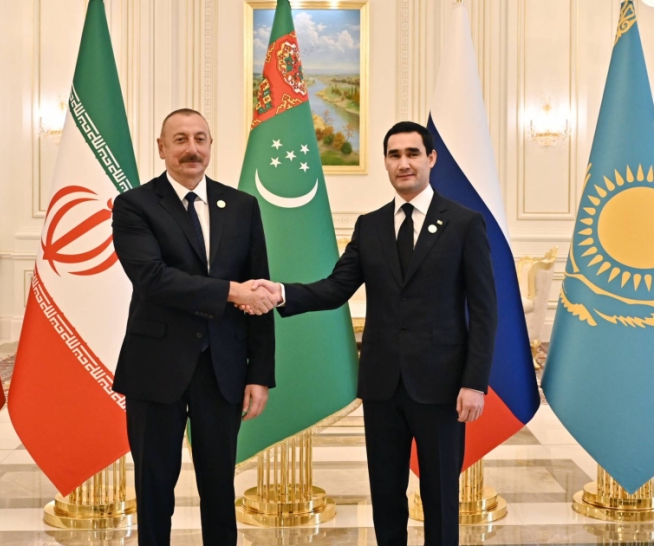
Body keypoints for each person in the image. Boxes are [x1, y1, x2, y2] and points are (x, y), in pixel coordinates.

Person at [249, 121, 497, 546]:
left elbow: (485, 311)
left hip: (441, 386)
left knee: (440, 495)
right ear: (385, 162)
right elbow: (336, 288)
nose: (403, 163)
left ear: (431, 158)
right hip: (382, 386)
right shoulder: (371, 225)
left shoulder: (464, 223)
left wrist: (474, 382)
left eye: (412, 153)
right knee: (385, 495)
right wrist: (282, 293)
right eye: (394, 155)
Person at [111, 108, 280, 546]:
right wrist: (231, 292)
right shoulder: (134, 205)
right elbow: (152, 278)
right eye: (181, 139)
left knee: (220, 487)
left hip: (223, 368)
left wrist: (260, 374)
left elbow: (259, 291)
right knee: (154, 486)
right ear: (161, 148)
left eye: (200, 139)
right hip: (156, 366)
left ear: (210, 146)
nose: (192, 149)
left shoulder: (242, 206)